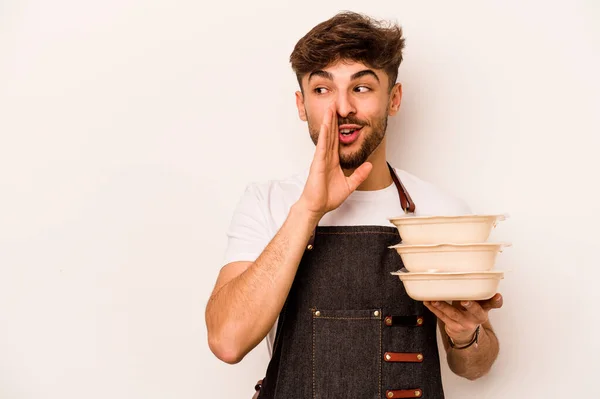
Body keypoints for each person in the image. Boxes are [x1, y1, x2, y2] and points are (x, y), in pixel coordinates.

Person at [205, 11, 503, 399]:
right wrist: (309, 209)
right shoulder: (267, 203)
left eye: (361, 88)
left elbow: (474, 366)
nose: (342, 107)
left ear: (393, 99)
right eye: (322, 89)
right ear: (301, 104)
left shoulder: (443, 211)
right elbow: (227, 342)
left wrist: (467, 335)